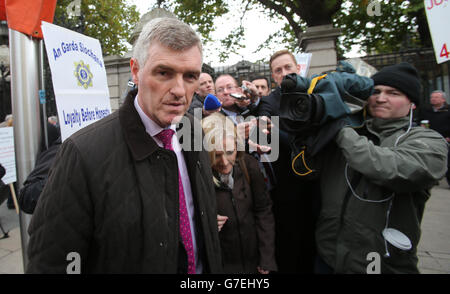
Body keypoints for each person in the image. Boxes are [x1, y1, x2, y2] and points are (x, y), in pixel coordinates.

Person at [27, 17, 222, 274]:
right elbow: (51, 263)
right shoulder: (82, 153)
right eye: (164, 72)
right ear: (136, 70)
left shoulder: (193, 130)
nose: (179, 90)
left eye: (190, 76)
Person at [308, 62, 448, 273]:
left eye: (393, 93)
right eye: (375, 91)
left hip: (382, 265)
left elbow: (387, 167)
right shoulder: (354, 132)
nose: (381, 98)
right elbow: (310, 168)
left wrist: (339, 128)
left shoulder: (428, 140)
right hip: (328, 257)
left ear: (412, 103)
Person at [257, 49, 319, 273]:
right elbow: (264, 131)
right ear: (273, 76)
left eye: (288, 68)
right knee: (290, 247)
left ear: (298, 68)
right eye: (278, 70)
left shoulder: (316, 95)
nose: (284, 73)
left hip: (317, 185)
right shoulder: (268, 103)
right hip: (286, 190)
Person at [202, 112, 277, 274]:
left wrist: (267, 257)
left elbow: (263, 210)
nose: (224, 162)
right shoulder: (197, 178)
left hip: (253, 264)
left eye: (230, 152)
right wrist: (205, 223)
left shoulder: (249, 166)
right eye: (216, 155)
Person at [418, 90, 450, 186]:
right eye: (432, 97)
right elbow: (419, 121)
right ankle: (433, 178)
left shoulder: (448, 111)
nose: (433, 99)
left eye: (436, 97)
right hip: (429, 139)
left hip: (446, 139)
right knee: (430, 159)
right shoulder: (426, 110)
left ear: (443, 99)